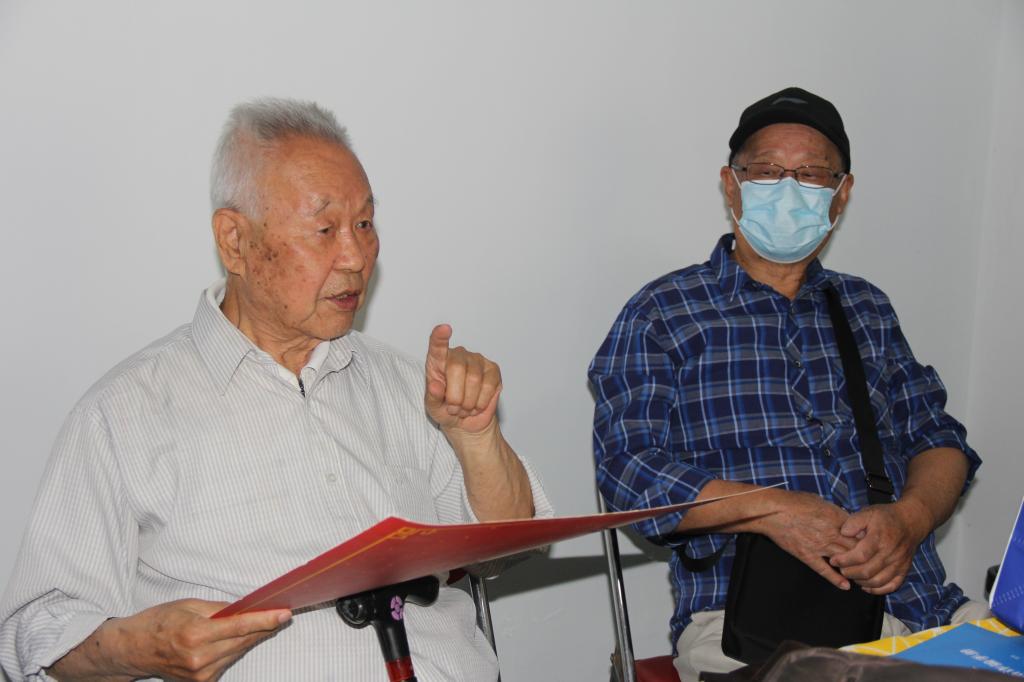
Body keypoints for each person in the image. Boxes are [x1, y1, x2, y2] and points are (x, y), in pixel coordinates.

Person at [0, 98, 551, 681]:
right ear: (234, 240)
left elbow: (505, 550)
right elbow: (33, 633)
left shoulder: (405, 383)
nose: (355, 256)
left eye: (365, 224)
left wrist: (476, 437)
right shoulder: (125, 412)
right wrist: (139, 648)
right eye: (324, 229)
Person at [588, 87, 987, 681]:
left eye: (811, 174)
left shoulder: (866, 308)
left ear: (841, 194)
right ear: (732, 185)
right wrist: (772, 510)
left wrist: (909, 518)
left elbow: (941, 439)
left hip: (920, 610)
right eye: (768, 171)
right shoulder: (663, 312)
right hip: (750, 625)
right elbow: (627, 471)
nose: (788, 189)